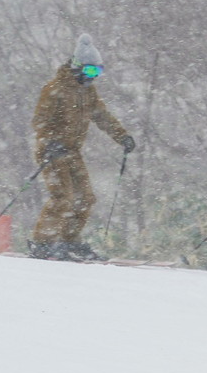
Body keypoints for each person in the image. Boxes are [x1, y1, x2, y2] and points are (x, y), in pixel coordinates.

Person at [29, 34, 136, 261]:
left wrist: (122, 137)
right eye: (89, 72)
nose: (93, 78)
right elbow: (40, 121)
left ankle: (69, 241)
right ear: (77, 67)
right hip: (52, 151)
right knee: (63, 197)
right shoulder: (54, 89)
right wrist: (50, 143)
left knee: (86, 198)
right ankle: (42, 243)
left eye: (97, 72)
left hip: (72, 152)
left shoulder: (88, 92)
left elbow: (101, 116)